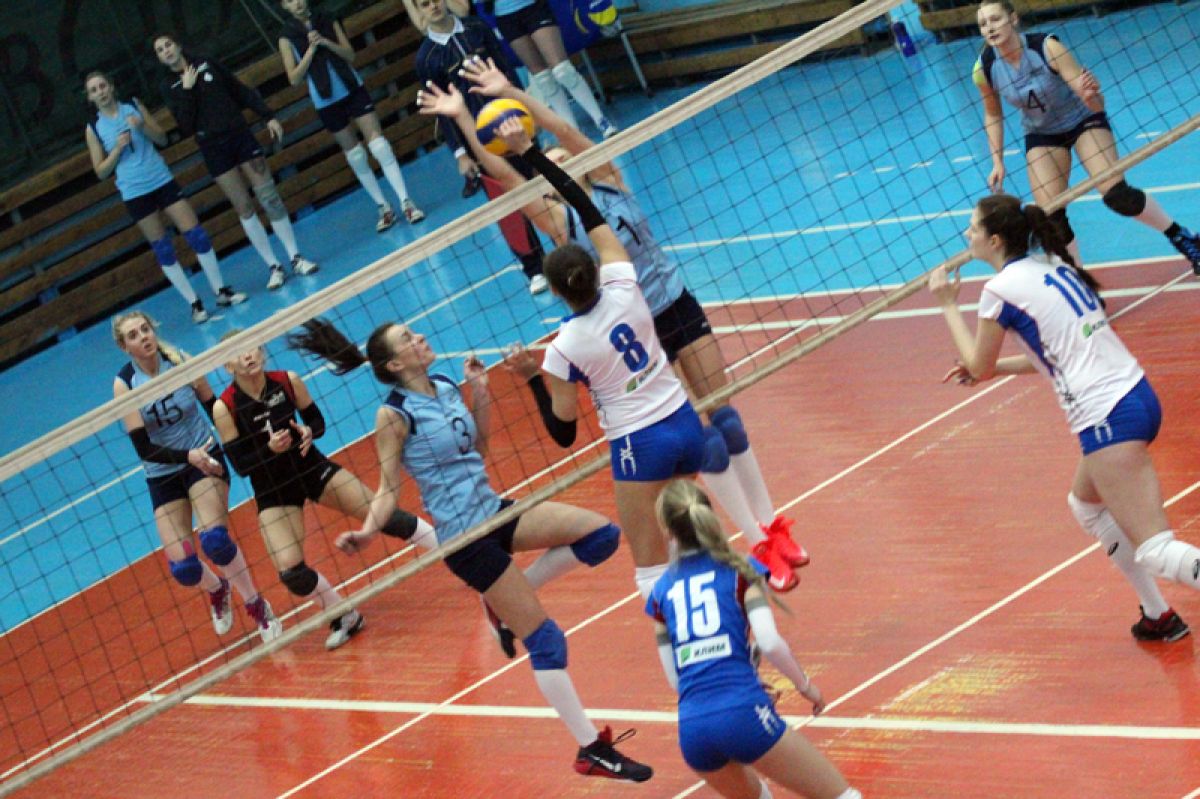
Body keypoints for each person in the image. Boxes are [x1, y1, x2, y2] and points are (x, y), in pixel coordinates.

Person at [419, 57, 809, 589]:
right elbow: (505, 174)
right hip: (637, 327)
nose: (562, 158)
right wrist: (464, 117)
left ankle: (772, 527)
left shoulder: (609, 181)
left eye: (564, 158)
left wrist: (511, 90)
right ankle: (755, 541)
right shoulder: (561, 220)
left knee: (728, 419)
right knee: (701, 442)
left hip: (674, 303)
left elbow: (562, 129)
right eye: (554, 162)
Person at [289, 317, 653, 781]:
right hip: (466, 540)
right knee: (546, 640)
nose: (421, 337)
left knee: (602, 536)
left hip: (494, 510)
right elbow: (386, 489)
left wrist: (480, 394)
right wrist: (366, 532)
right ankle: (590, 749)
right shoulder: (394, 416)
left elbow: (478, 449)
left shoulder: (444, 385)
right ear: (396, 364)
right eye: (408, 339)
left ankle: (498, 605)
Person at [929, 194, 1199, 642]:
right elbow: (1050, 354)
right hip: (1135, 396)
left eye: (973, 227)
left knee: (1156, 550)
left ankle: (1162, 607)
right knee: (1086, 505)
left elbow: (979, 365)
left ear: (994, 240)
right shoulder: (1051, 266)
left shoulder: (999, 291)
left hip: (1106, 415)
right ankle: (1158, 614)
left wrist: (947, 303)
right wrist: (989, 368)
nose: (966, 234)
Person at [213, 334, 439, 649]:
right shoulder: (225, 407)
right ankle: (345, 616)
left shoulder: (287, 381)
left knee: (383, 513)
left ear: (261, 352)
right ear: (228, 366)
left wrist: (309, 431)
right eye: (237, 353)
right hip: (274, 491)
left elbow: (316, 422)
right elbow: (240, 465)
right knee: (292, 573)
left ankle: (457, 547)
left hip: (312, 469)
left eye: (250, 348)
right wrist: (269, 450)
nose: (246, 356)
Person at [647, 480, 861, 799]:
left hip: (693, 730)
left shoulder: (660, 593)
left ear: (667, 530)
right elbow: (770, 642)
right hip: (742, 712)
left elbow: (676, 679)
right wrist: (806, 687)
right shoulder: (740, 570)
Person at [973, 0, 1200, 274]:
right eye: (983, 24)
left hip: (1082, 120)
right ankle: (1079, 278)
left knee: (1117, 196)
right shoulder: (985, 68)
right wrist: (997, 161)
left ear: (1013, 19)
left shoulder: (1046, 47)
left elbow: (1094, 102)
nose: (990, 28)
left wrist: (1092, 96)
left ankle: (1182, 237)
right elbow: (993, 115)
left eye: (995, 19)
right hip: (1042, 133)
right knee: (1050, 215)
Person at [112, 310, 280, 642]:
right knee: (184, 568)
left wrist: (243, 451)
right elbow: (144, 448)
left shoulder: (181, 362)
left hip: (205, 458)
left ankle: (256, 604)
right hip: (163, 473)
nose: (143, 337)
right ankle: (217, 588)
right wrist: (187, 456)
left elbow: (216, 409)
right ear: (124, 347)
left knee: (215, 541)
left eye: (145, 329)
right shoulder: (125, 384)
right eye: (133, 335)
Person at [154, 34, 318, 292]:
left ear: (178, 46)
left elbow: (238, 89)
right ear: (160, 59)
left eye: (168, 45)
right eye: (160, 50)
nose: (166, 51)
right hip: (213, 149)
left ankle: (295, 257)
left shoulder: (206, 63)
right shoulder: (169, 87)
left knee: (269, 197)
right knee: (244, 207)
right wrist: (187, 90)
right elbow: (185, 126)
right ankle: (274, 266)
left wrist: (267, 115)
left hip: (240, 136)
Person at [407, 0, 549, 294]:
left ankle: (569, 241)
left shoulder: (476, 27)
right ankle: (534, 268)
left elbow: (507, 71)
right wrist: (460, 154)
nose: (433, 6)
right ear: (418, 11)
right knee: (509, 206)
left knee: (545, 187)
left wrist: (527, 111)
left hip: (513, 123)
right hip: (481, 142)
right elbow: (443, 111)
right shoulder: (426, 58)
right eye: (425, 4)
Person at [86, 72, 247, 324]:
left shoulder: (133, 106)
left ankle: (221, 291)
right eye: (94, 90)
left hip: (160, 179)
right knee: (163, 248)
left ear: (112, 87)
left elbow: (162, 138)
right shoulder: (94, 128)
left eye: (103, 86)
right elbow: (100, 171)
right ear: (91, 98)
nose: (101, 92)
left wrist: (142, 127)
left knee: (197, 234)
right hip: (134, 191)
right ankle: (194, 303)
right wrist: (117, 149)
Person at [278, 0, 425, 231]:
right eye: (289, 1)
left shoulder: (327, 18)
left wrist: (325, 42)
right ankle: (383, 207)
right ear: (284, 6)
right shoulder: (286, 37)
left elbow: (350, 55)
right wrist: (310, 50)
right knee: (355, 155)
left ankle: (406, 201)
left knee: (379, 145)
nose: (296, 3)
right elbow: (294, 78)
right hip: (326, 101)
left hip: (352, 89)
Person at [449, 0, 617, 138]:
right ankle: (572, 131)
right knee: (543, 78)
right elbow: (465, 10)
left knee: (562, 69)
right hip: (505, 17)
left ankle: (601, 121)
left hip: (534, 8)